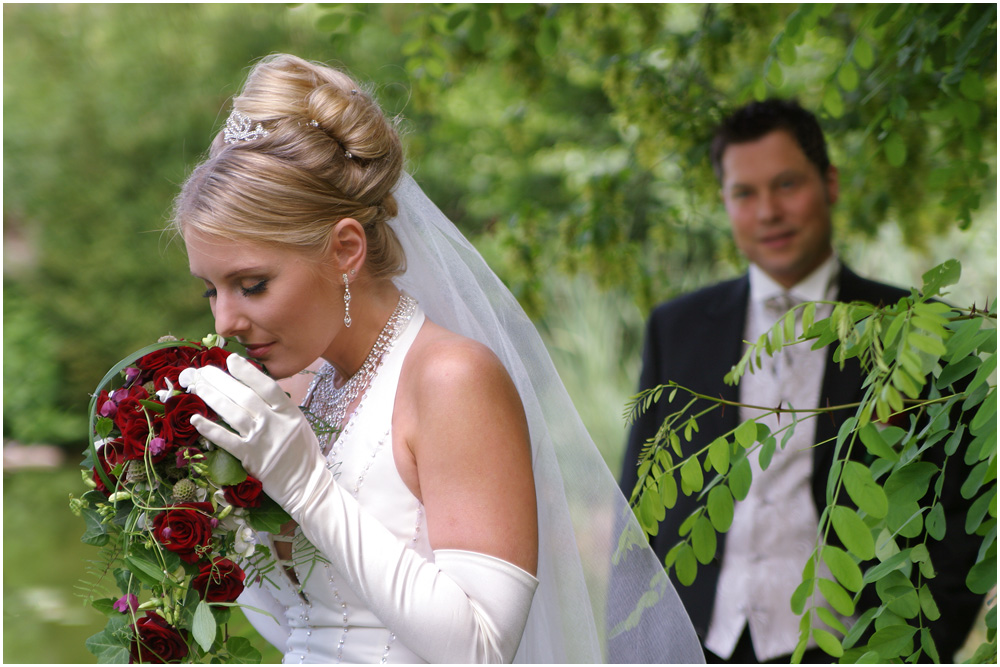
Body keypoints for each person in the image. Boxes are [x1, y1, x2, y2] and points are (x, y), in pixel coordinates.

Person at [172, 54, 704, 664]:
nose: (224, 322)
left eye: (253, 284)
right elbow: (310, 626)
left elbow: (479, 650)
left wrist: (307, 489)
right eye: (211, 289)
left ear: (345, 248)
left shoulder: (453, 379)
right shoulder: (311, 393)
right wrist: (214, 516)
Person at [620, 98, 982, 663]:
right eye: (745, 193)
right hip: (694, 644)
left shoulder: (916, 331)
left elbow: (958, 518)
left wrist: (908, 652)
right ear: (725, 201)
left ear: (830, 183)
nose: (768, 211)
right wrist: (634, 651)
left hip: (849, 648)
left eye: (787, 184)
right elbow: (638, 509)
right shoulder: (677, 327)